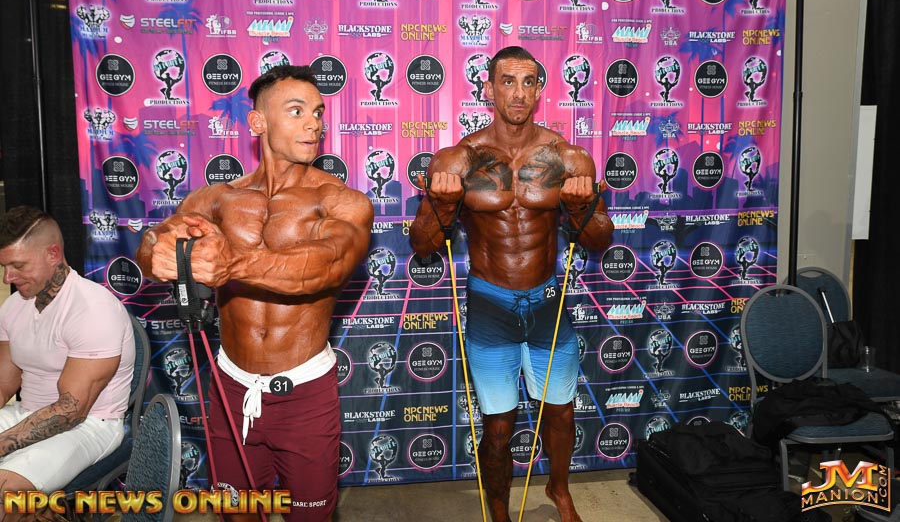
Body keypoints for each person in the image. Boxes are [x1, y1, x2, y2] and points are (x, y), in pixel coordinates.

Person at [136, 65, 374, 521]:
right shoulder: (215, 200)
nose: (313, 124)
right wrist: (158, 253)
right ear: (258, 122)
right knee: (238, 514)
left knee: (311, 517)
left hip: (304, 393)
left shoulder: (341, 201)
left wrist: (234, 264)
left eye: (318, 112)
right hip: (231, 388)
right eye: (297, 111)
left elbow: (327, 266)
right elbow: (153, 242)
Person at [410, 46, 613, 522]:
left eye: (528, 82)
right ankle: (498, 510)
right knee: (498, 426)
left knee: (560, 411)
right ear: (489, 89)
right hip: (491, 304)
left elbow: (601, 239)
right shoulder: (458, 159)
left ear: (539, 90)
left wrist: (580, 207)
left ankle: (559, 488)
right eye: (507, 81)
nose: (518, 93)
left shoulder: (569, 157)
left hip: (547, 302)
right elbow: (422, 244)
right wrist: (443, 205)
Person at [0, 206, 135, 513]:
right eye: (4, 266)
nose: (8, 276)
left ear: (53, 254)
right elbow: (3, 385)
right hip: (25, 413)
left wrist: (3, 443)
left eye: (18, 265)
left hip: (89, 426)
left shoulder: (92, 309)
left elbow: (71, 411)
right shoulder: (14, 306)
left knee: (6, 497)